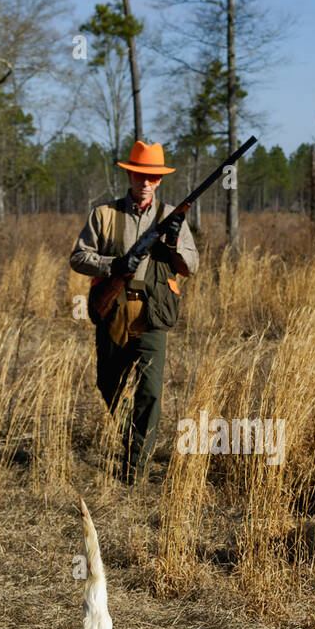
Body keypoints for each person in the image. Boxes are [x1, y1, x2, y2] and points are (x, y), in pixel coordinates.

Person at [70, 141, 199, 483]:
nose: (145, 182)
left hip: (152, 313)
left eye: (152, 177)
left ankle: (136, 468)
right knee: (107, 384)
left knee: (150, 392)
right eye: (140, 174)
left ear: (159, 181)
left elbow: (191, 266)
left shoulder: (172, 217)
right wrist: (114, 265)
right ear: (129, 174)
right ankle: (134, 440)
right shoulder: (103, 214)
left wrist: (171, 243)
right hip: (113, 309)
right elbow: (78, 257)